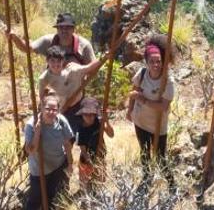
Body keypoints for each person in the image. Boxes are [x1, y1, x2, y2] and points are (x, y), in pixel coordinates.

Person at [21, 95, 73, 210]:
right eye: (48, 108)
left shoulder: (61, 121)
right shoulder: (32, 125)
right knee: (35, 198)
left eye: (54, 109)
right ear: (41, 108)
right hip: (39, 168)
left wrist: (70, 163)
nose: (51, 112)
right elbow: (31, 150)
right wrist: (37, 132)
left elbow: (68, 143)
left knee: (50, 194)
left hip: (57, 165)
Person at [126, 37, 176, 186]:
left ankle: (172, 184)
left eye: (158, 61)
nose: (156, 65)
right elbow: (134, 92)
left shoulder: (167, 81)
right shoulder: (141, 74)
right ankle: (147, 179)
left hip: (157, 126)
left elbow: (164, 106)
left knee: (160, 157)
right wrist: (129, 111)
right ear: (146, 63)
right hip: (140, 121)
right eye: (152, 61)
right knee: (144, 152)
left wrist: (144, 101)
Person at [38, 45, 103, 134]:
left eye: (58, 61)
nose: (56, 64)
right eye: (52, 61)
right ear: (47, 61)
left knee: (79, 134)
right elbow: (42, 99)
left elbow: (89, 67)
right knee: (59, 135)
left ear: (63, 61)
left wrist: (103, 57)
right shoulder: (44, 78)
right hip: (60, 109)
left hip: (77, 107)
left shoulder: (73, 69)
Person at [9, 13, 96, 66]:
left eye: (68, 27)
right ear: (57, 29)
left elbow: (93, 68)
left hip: (76, 90)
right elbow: (27, 48)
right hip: (53, 89)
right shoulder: (48, 41)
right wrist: (15, 38)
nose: (64, 31)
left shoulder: (84, 45)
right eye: (61, 27)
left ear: (73, 29)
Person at [74, 97, 114, 187]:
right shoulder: (81, 129)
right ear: (82, 114)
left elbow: (111, 135)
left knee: (100, 184)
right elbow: (83, 151)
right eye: (86, 114)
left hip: (100, 157)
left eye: (92, 114)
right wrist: (91, 164)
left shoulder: (99, 122)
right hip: (86, 161)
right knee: (85, 186)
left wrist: (106, 121)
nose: (89, 117)